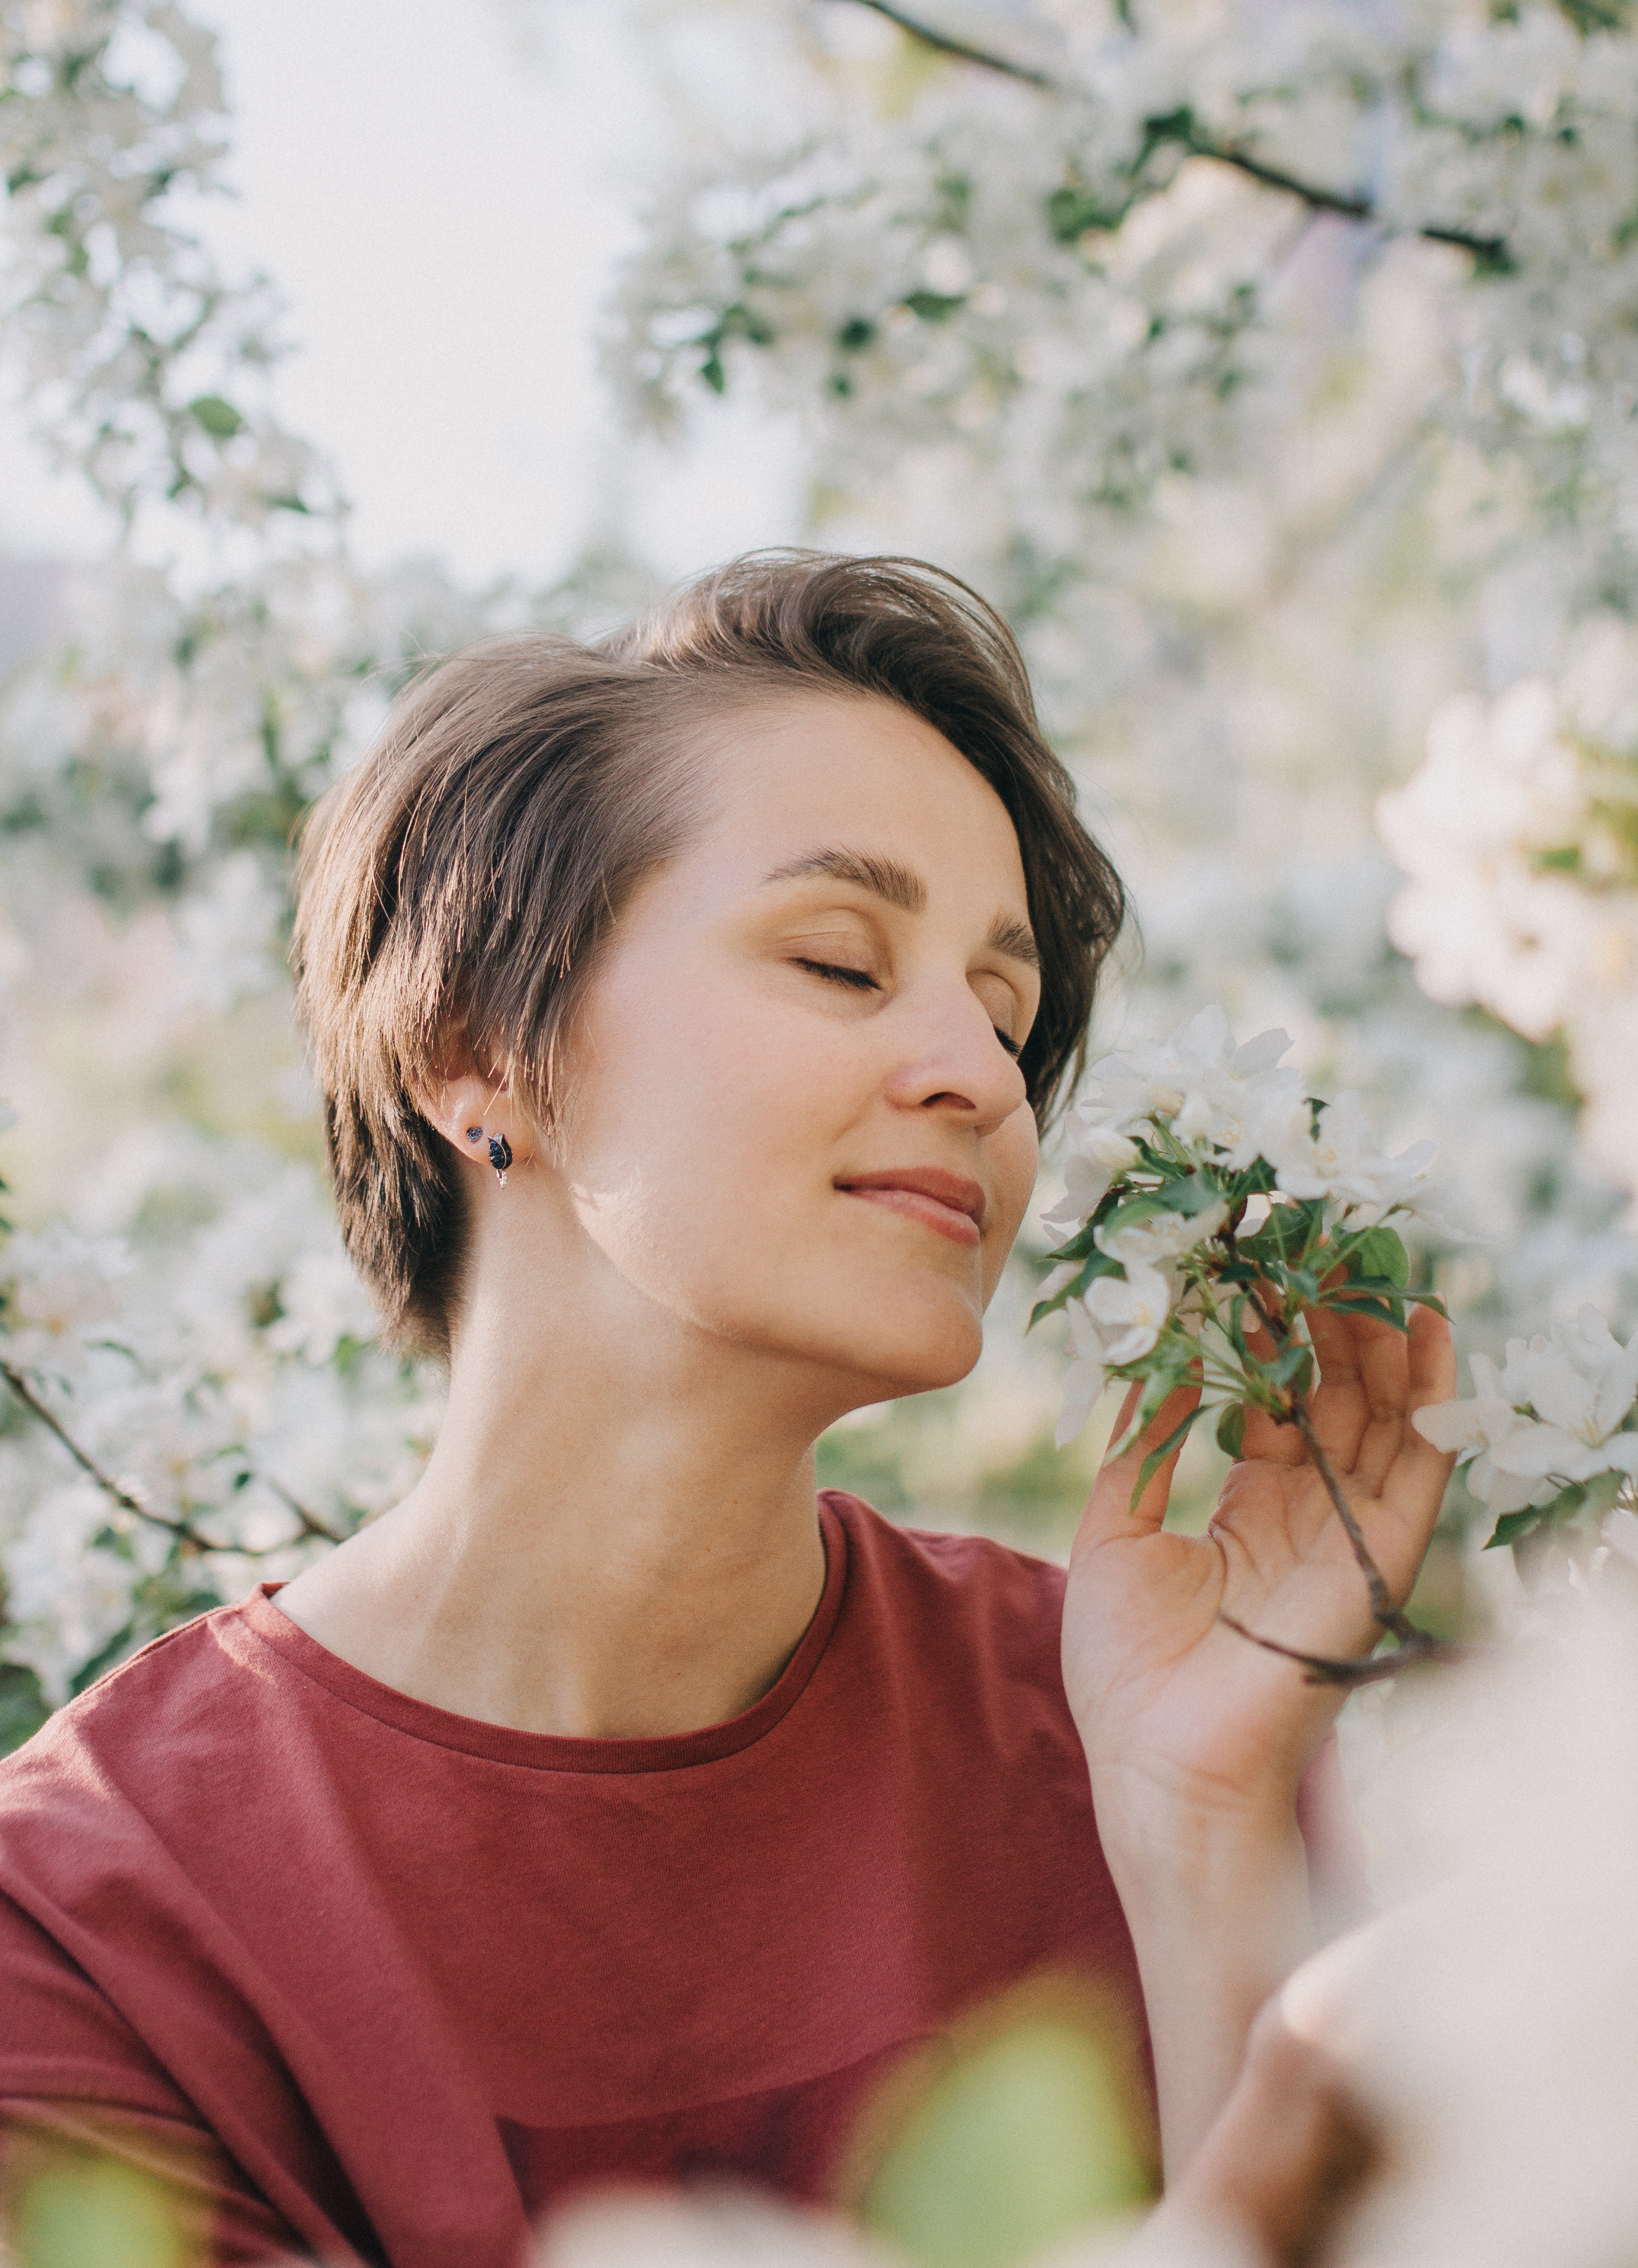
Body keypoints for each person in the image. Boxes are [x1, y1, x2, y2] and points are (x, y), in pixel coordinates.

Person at [0, 554, 1456, 2267]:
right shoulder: (99, 1921)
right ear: (475, 1045)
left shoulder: (1132, 1729)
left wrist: (1203, 1833)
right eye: (843, 961)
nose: (984, 1079)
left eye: (1007, 1012)